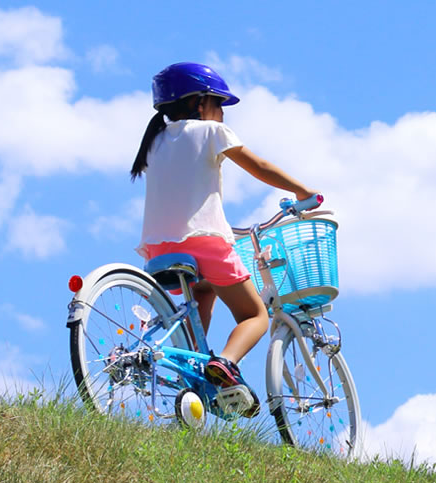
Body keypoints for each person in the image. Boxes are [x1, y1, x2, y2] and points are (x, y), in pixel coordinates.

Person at [131, 62, 317, 417]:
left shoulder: (153, 143)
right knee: (255, 315)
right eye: (219, 104)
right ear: (199, 103)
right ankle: (227, 364)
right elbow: (258, 165)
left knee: (204, 291)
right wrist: (304, 191)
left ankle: (190, 365)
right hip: (205, 244)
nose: (221, 113)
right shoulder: (211, 132)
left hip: (159, 249)